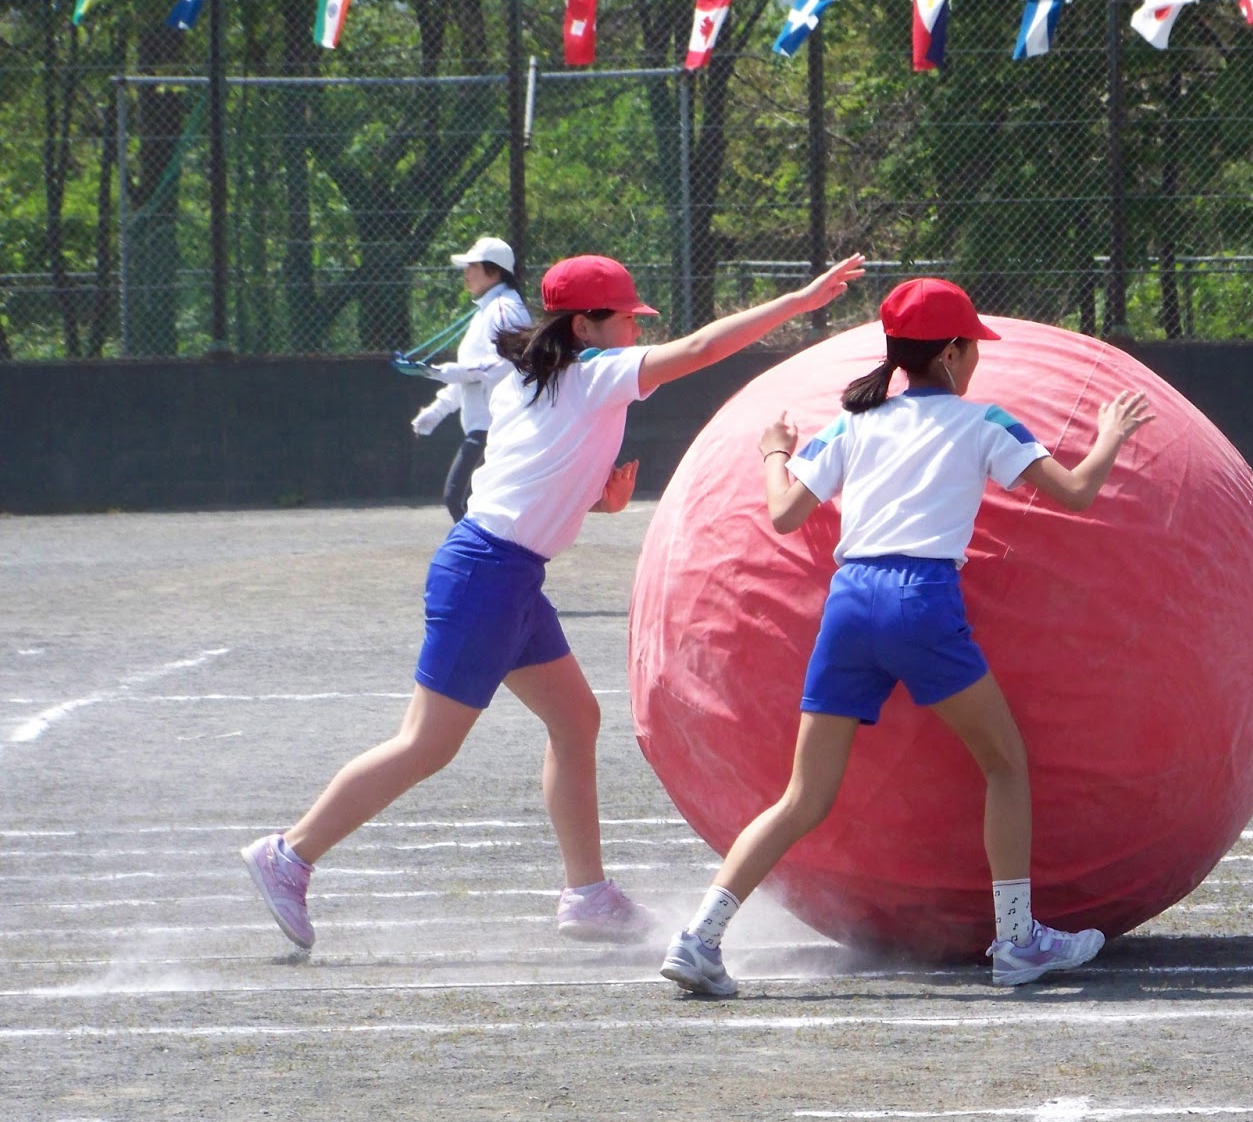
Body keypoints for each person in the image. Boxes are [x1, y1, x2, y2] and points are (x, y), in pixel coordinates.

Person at [241, 250, 867, 951]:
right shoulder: (591, 376)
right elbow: (700, 348)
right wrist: (800, 300)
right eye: (629, 319)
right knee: (426, 744)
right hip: (488, 573)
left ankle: (587, 895)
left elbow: (532, 473)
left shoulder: (536, 379)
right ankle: (289, 854)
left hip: (505, 572)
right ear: (588, 325)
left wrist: (600, 501)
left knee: (576, 719)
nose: (637, 330)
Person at [658, 278, 1153, 996]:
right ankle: (1017, 939)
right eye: (974, 347)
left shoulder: (853, 425)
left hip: (850, 603)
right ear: (952, 354)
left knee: (802, 797)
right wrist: (1109, 437)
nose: (978, 360)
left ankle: (699, 938)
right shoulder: (985, 422)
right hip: (920, 603)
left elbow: (786, 514)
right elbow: (1074, 492)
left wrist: (773, 452)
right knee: (1006, 764)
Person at [409, 237, 533, 522]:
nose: (465, 272)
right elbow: (471, 374)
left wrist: (447, 371)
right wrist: (436, 412)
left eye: (472, 265)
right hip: (484, 426)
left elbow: (505, 363)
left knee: (459, 498)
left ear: (494, 270)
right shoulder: (488, 309)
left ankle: (481, 561)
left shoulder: (504, 309)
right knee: (469, 502)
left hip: (497, 425)